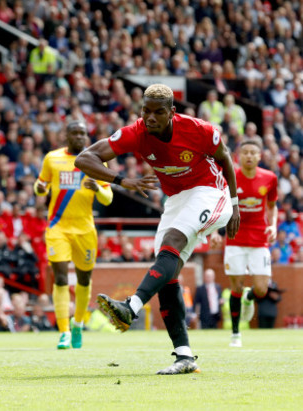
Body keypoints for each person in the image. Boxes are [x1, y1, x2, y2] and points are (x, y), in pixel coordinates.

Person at [75, 84, 239, 374]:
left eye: (158, 112)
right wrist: (122, 180)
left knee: (173, 242)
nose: (150, 118)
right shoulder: (136, 132)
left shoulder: (199, 129)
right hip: (176, 199)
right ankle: (184, 356)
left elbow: (224, 157)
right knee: (167, 268)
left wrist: (235, 204)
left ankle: (131, 307)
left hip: (211, 192)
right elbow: (84, 158)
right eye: (145, 111)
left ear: (172, 113)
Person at [34, 120, 113, 349]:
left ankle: (78, 323)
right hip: (58, 227)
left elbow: (108, 198)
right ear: (67, 136)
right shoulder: (52, 158)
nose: (80, 137)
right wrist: (39, 189)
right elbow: (41, 185)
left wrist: (97, 188)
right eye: (75, 133)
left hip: (85, 229)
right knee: (59, 277)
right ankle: (64, 332)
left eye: (83, 133)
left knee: (83, 279)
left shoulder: (96, 160)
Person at [210, 137, 278, 347]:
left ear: (260, 156)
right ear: (238, 156)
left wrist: (273, 225)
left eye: (253, 152)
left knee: (261, 290)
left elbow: (272, 206)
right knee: (236, 287)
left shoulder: (270, 178)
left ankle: (250, 298)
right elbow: (218, 204)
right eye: (245, 152)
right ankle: (236, 334)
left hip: (259, 239)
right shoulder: (229, 176)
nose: (249, 156)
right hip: (235, 238)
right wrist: (214, 231)